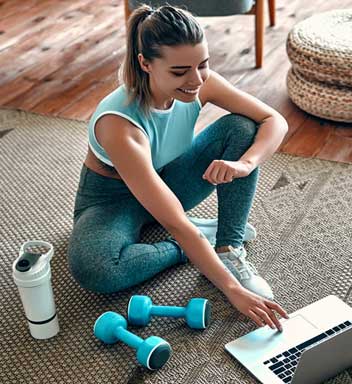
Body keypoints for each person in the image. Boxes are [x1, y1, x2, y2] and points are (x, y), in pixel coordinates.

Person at [67, 4, 289, 330]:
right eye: (180, 71)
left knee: (242, 128)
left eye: (203, 65)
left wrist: (245, 164)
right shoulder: (119, 125)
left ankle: (228, 244)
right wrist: (231, 289)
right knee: (98, 268)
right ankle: (193, 246)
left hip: (168, 177)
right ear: (145, 63)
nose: (196, 79)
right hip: (112, 200)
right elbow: (176, 222)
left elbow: (274, 120)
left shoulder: (200, 81)